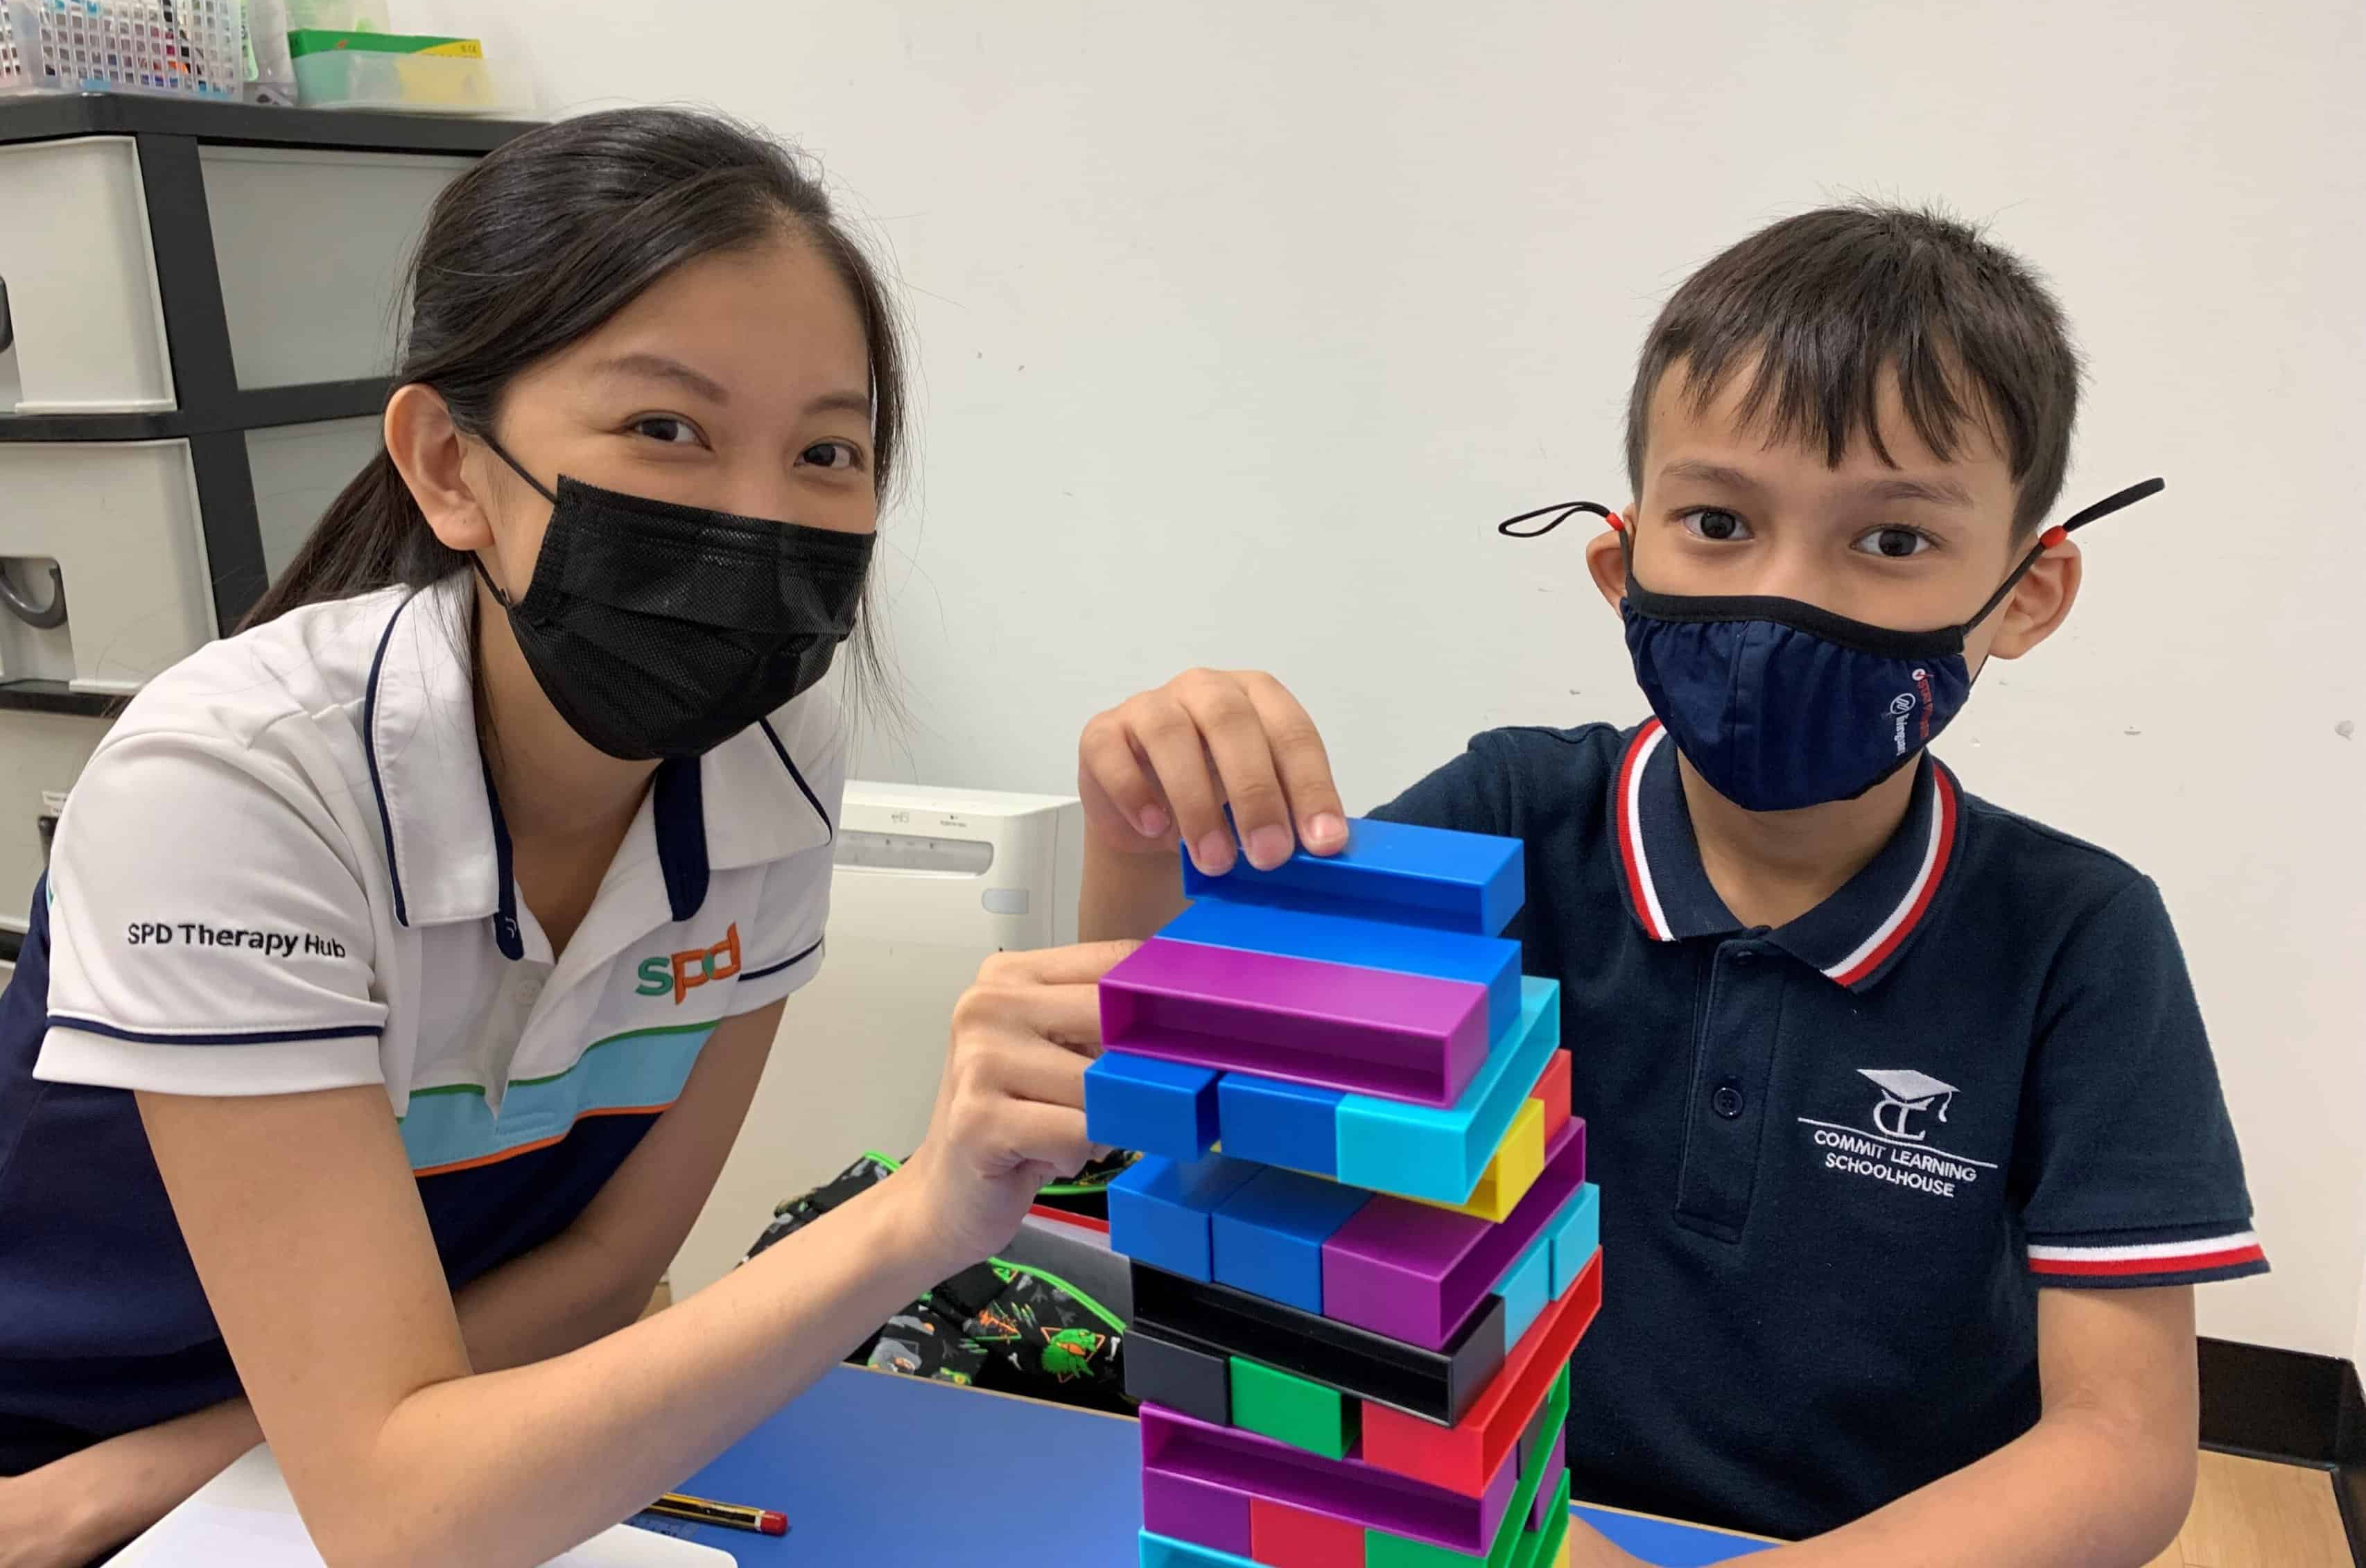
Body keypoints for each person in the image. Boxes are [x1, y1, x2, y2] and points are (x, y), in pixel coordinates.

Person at [0, 108, 1123, 1568]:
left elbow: (607, 1263)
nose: (758, 514)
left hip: (385, 1451)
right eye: (667, 429)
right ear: (448, 466)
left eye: (827, 451)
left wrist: (163, 1472)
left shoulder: (775, 751)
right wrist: (920, 1210)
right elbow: (394, 1512)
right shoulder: (234, 780)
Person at [1077, 205, 2259, 1566]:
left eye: (1891, 541)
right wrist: (1135, 825)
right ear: (1618, 560)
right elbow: (1191, 1095)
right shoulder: (1511, 813)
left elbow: (2122, 1445)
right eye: (1717, 520)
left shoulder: (2079, 936)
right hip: (1515, 1532)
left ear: (2026, 592)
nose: (1781, 597)